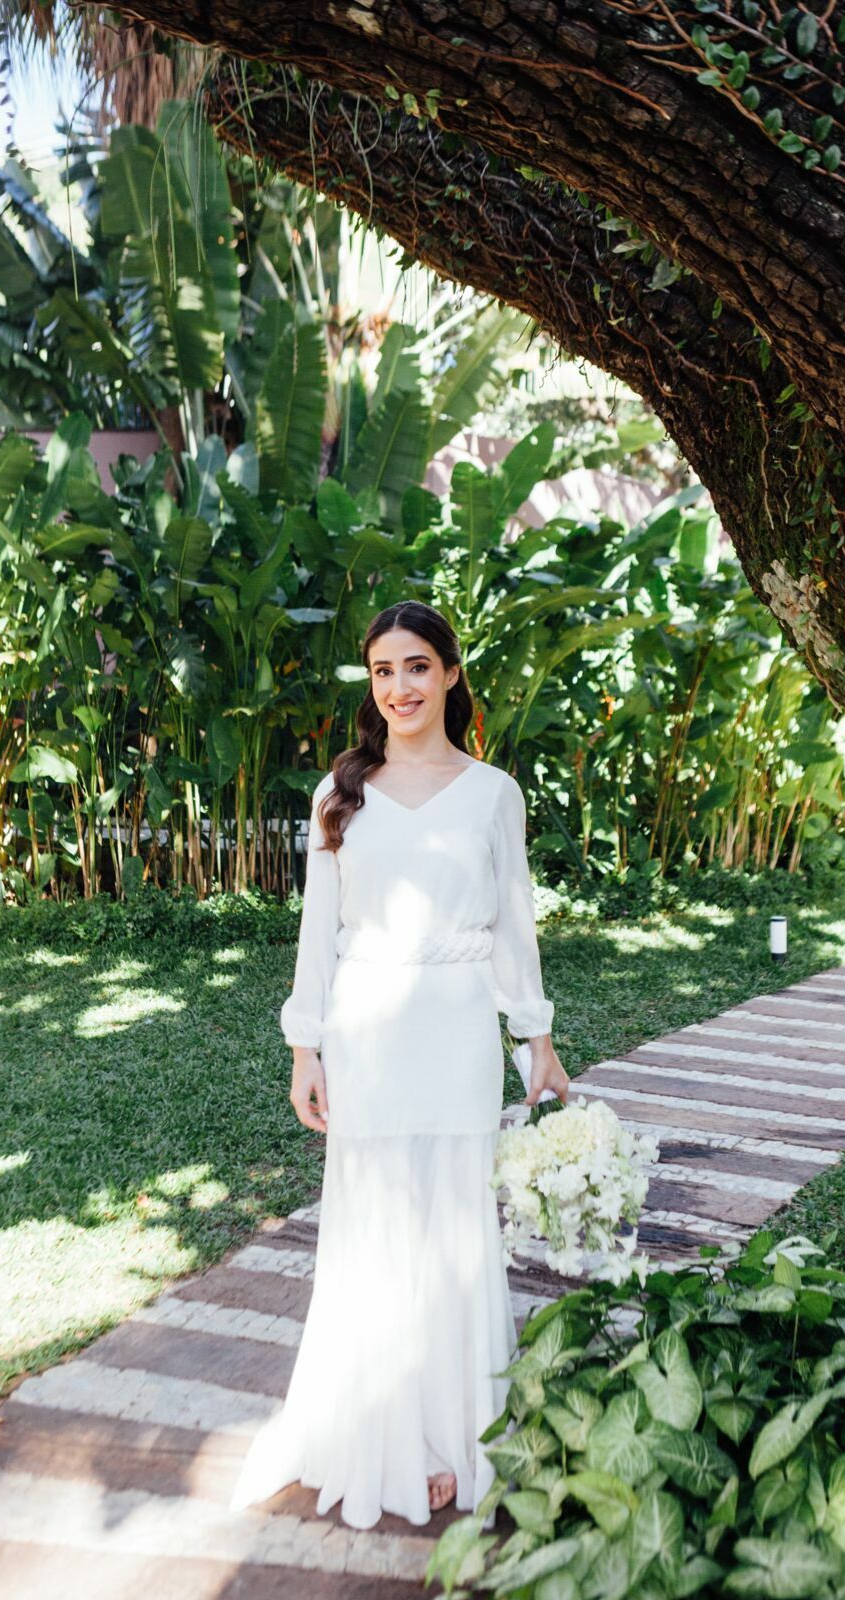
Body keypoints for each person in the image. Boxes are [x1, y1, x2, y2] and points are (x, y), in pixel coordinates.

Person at [229, 599, 568, 1530]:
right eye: (382, 672)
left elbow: (513, 926)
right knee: (377, 1226)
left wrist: (533, 1038)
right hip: (367, 1032)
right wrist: (306, 1043)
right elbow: (316, 933)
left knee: (452, 1229)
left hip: (457, 1032)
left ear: (451, 674)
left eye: (417, 667)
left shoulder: (494, 791)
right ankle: (385, 1434)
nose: (400, 688)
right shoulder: (339, 793)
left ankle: (453, 1429)